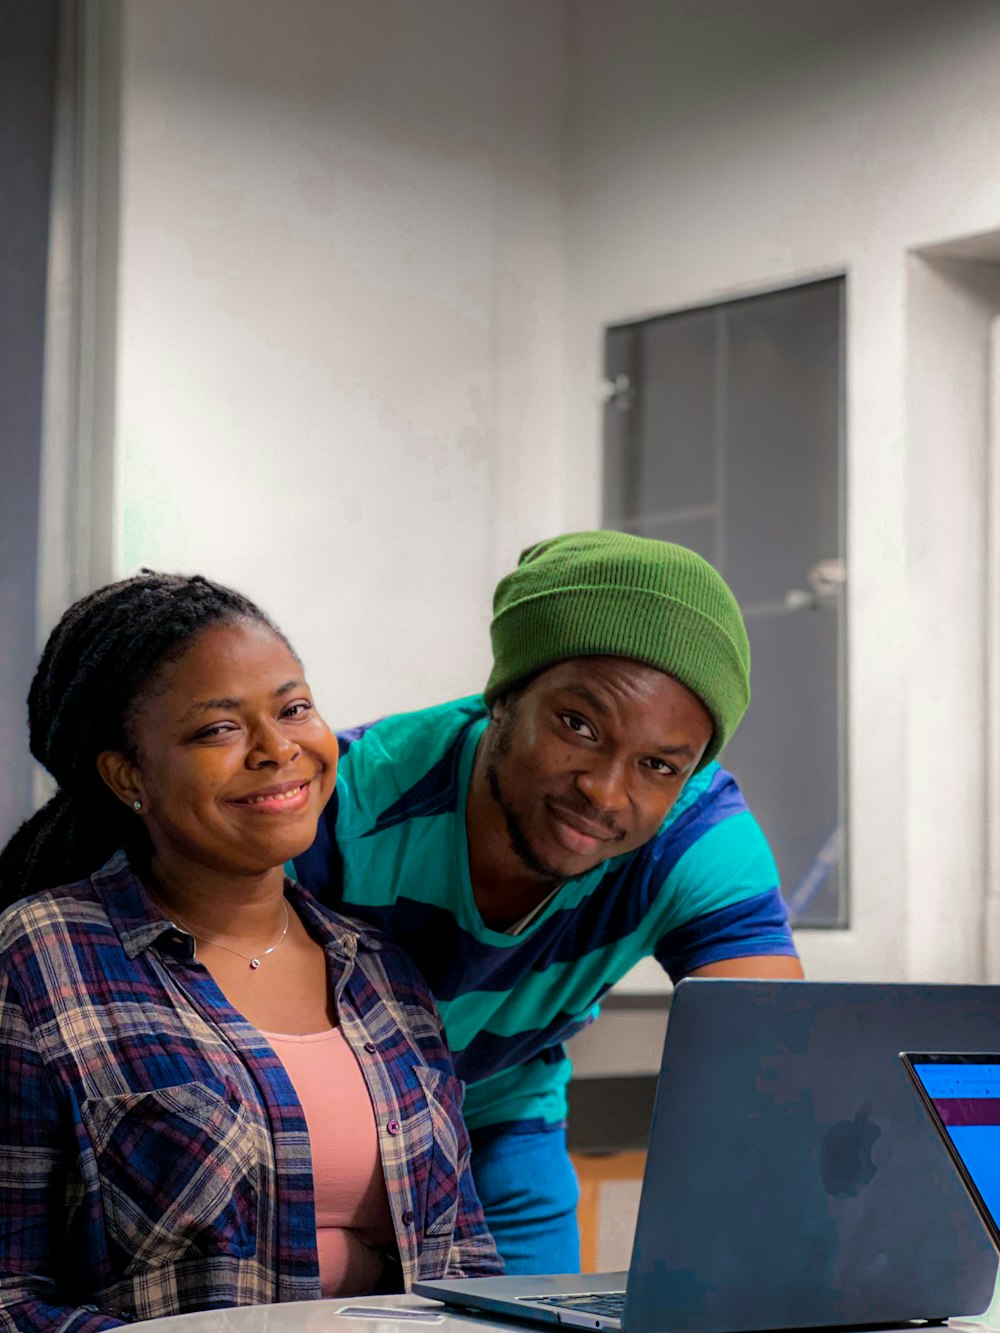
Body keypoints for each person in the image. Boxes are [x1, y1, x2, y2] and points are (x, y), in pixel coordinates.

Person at [293, 530, 804, 1274]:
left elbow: (778, 1066)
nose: (605, 790)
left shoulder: (693, 836)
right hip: (326, 1128)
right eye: (578, 725)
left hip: (500, 1113)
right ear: (504, 695)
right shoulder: (347, 808)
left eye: (659, 764)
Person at [0, 572, 501, 1329]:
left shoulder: (383, 974)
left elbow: (466, 1263)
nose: (278, 749)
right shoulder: (40, 959)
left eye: (294, 708)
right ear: (127, 775)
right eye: (218, 729)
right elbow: (9, 1295)